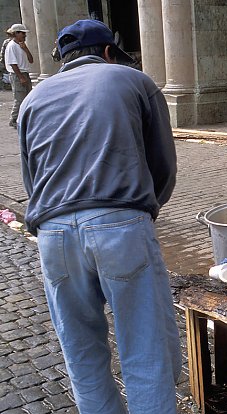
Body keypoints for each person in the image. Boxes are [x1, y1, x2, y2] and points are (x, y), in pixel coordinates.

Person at [18, 19, 180, 413]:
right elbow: (163, 167)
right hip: (120, 225)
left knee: (81, 353)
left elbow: (31, 180)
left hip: (53, 233)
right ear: (109, 52)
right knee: (146, 349)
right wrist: (139, 212)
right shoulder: (133, 80)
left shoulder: (32, 100)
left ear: (62, 60)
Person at [4, 23, 33, 128]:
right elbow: (13, 63)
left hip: (24, 73)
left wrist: (25, 49)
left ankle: (24, 118)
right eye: (22, 33)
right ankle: (14, 119)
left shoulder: (21, 45)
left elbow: (31, 60)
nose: (24, 35)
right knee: (19, 98)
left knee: (28, 97)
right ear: (16, 33)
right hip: (17, 74)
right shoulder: (11, 46)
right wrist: (20, 77)